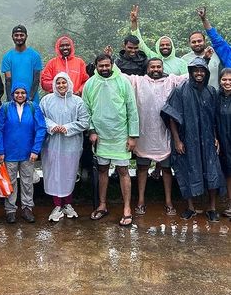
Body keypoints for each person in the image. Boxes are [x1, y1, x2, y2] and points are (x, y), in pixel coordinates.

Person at [161, 58, 224, 221]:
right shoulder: (180, 90)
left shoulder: (211, 91)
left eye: (202, 70)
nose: (199, 73)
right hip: (187, 139)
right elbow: (172, 117)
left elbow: (215, 117)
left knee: (212, 172)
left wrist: (216, 137)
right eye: (195, 70)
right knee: (187, 170)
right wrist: (177, 140)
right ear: (190, 72)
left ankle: (211, 208)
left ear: (206, 72)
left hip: (208, 139)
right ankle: (190, 207)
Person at [125, 58, 188, 216]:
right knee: (142, 169)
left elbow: (189, 76)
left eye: (158, 66)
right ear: (147, 68)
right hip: (144, 134)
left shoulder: (171, 81)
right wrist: (109, 60)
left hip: (164, 134)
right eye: (152, 67)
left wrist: (206, 59)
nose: (155, 69)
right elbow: (120, 76)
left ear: (162, 67)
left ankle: (168, 201)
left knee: (166, 169)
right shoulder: (138, 82)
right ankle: (140, 200)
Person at [82, 54, 139, 226]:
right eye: (101, 66)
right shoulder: (90, 84)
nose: (105, 68)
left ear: (112, 65)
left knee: (123, 172)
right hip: (100, 136)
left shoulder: (123, 81)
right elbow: (86, 111)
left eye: (107, 65)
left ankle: (127, 208)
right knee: (102, 170)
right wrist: (91, 131)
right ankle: (102, 205)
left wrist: (132, 136)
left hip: (120, 135)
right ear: (96, 66)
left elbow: (132, 109)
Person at [39, 72, 89, 221]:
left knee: (69, 173)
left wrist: (67, 128)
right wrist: (53, 126)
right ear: (54, 84)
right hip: (52, 144)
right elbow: (40, 118)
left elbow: (85, 121)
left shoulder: (77, 102)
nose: (61, 86)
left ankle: (67, 203)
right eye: (58, 83)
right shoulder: (46, 100)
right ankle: (57, 205)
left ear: (69, 84)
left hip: (71, 145)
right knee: (54, 174)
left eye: (64, 82)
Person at [0, 82, 47, 224]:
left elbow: (41, 128)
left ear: (27, 94)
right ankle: (10, 210)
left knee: (27, 181)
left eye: (23, 93)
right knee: (9, 182)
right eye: (17, 93)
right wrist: (0, 150)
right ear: (12, 94)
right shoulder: (5, 108)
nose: (20, 95)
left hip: (28, 153)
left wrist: (36, 150)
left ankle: (27, 208)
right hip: (9, 153)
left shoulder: (33, 107)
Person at [130, 5, 187, 75]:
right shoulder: (154, 58)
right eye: (162, 45)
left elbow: (185, 81)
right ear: (158, 47)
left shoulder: (181, 63)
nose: (165, 47)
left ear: (172, 46)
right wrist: (134, 22)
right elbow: (139, 43)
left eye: (167, 45)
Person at [1, 25, 43, 104]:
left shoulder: (35, 56)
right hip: (14, 100)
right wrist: (11, 101)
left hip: (32, 101)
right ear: (12, 37)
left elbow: (36, 80)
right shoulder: (7, 57)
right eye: (16, 35)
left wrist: (29, 98)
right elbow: (8, 81)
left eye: (21, 35)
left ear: (26, 36)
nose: (19, 37)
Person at [215, 68, 231, 218]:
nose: (227, 83)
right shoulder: (216, 97)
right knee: (228, 173)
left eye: (230, 80)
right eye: (224, 79)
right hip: (223, 142)